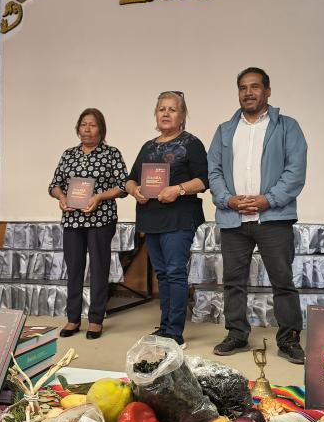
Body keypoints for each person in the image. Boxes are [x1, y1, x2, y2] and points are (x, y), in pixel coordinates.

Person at [207, 67, 308, 364]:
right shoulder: (225, 130)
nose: (248, 92)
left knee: (282, 280)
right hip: (233, 218)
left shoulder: (287, 127)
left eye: (255, 86)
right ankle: (237, 334)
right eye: (243, 87)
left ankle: (288, 339)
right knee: (233, 281)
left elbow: (295, 170)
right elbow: (214, 171)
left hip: (273, 218)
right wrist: (228, 200)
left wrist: (268, 200)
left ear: (267, 91)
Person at [126, 91, 208, 348]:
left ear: (182, 116)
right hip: (151, 219)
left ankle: (174, 333)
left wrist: (178, 189)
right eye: (162, 109)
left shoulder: (192, 143)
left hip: (179, 219)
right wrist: (135, 190)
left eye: (172, 109)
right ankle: (164, 327)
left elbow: (204, 180)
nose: (166, 113)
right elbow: (130, 179)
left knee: (174, 273)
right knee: (162, 274)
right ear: (156, 114)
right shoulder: (148, 146)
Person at [49, 108, 128, 340]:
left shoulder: (111, 154)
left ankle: (95, 320)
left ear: (101, 129)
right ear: (78, 128)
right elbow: (54, 185)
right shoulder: (69, 154)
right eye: (83, 124)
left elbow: (123, 186)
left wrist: (99, 197)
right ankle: (73, 318)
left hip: (101, 219)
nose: (87, 129)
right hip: (72, 220)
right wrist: (62, 197)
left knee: (99, 269)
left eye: (92, 125)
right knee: (73, 268)